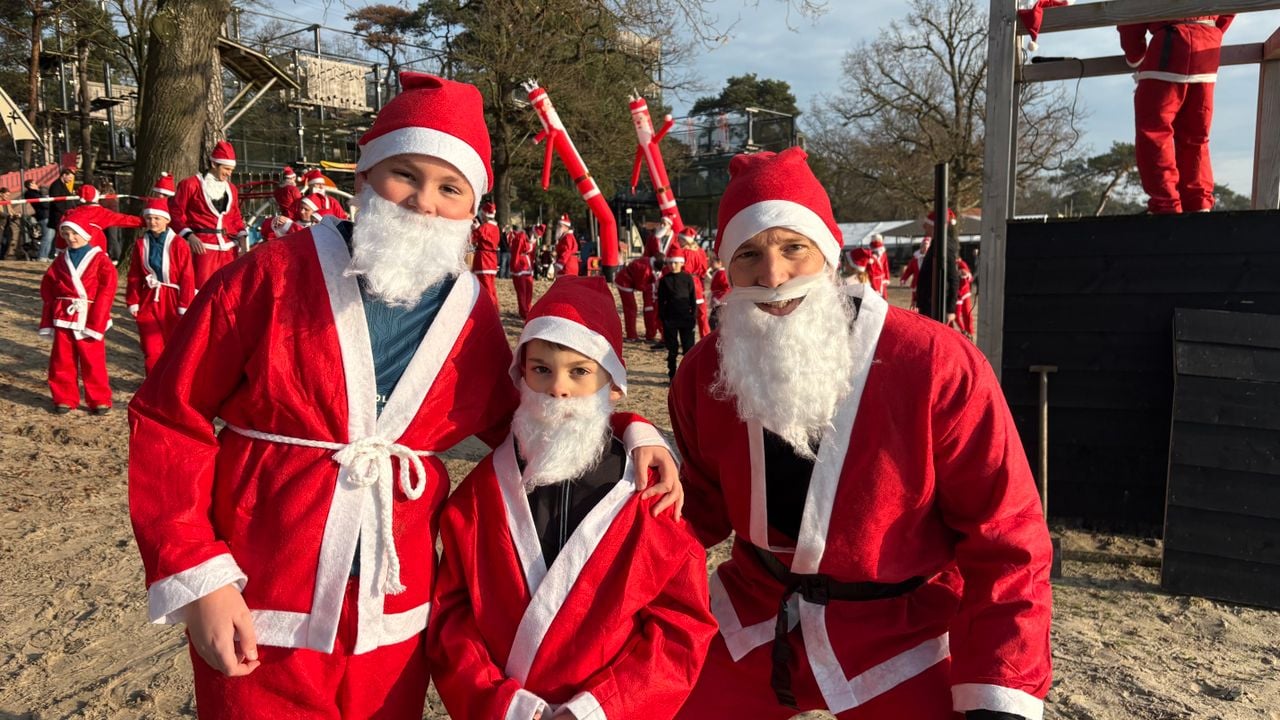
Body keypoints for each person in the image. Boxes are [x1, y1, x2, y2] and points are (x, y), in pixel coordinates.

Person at [127, 71, 679, 720]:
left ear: (472, 208)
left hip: (393, 617)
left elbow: (530, 419)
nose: (424, 201)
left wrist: (633, 427)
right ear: (363, 178)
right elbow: (171, 416)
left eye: (451, 188)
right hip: (259, 594)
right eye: (404, 175)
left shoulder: (469, 313)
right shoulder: (272, 274)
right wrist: (201, 576)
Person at [669, 147, 1052, 720]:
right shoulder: (705, 371)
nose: (772, 276)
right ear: (726, 267)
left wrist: (1000, 686)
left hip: (903, 630)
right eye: (748, 254)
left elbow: (1006, 533)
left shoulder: (934, 362)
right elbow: (695, 507)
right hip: (756, 608)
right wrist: (631, 443)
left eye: (792, 248)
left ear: (827, 251)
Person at [429, 276, 716, 720]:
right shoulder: (481, 494)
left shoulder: (648, 494)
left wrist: (599, 709)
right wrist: (502, 703)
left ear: (612, 384)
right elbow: (451, 613)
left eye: (580, 371)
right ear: (520, 375)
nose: (557, 388)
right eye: (541, 369)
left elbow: (682, 625)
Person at [1119, 15, 1234, 214]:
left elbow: (1131, 13)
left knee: (1155, 133)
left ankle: (1166, 205)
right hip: (1206, 53)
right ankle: (1199, 203)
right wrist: (1211, 32)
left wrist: (1135, 55)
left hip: (1167, 49)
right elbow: (1230, 9)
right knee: (1196, 136)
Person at [39, 220, 117, 414]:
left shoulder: (100, 259)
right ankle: (63, 397)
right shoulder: (60, 259)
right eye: (65, 234)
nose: (70, 238)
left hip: (90, 315)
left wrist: (98, 318)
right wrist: (53, 306)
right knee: (61, 358)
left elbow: (107, 290)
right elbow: (48, 285)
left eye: (74, 233)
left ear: (86, 233)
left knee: (93, 360)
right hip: (64, 315)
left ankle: (99, 399)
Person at [126, 198, 196, 373]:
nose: (152, 222)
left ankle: (171, 379)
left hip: (172, 298)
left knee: (174, 343)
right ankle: (152, 380)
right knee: (151, 345)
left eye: (157, 218)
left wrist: (184, 305)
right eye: (149, 218)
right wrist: (133, 300)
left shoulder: (179, 244)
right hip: (150, 296)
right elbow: (135, 274)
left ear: (167, 219)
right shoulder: (141, 244)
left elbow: (187, 275)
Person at [171, 141, 248, 288]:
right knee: (202, 290)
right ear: (214, 164)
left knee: (228, 290)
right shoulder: (190, 185)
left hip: (229, 249)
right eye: (226, 169)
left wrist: (243, 239)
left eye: (231, 169)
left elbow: (235, 217)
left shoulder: (231, 189)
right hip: (204, 248)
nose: (229, 173)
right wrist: (189, 236)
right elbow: (175, 214)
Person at [58, 184, 144, 254]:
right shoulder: (102, 213)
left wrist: (60, 247)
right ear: (96, 197)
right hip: (96, 245)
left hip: (73, 246)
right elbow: (124, 219)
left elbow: (61, 230)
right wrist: (143, 221)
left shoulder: (71, 213)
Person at [657, 248, 696, 381]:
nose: (672, 266)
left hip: (686, 318)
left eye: (675, 263)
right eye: (670, 263)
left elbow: (692, 298)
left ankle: (687, 377)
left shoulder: (687, 278)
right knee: (672, 349)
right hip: (670, 319)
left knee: (688, 349)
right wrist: (663, 318)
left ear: (681, 263)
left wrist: (693, 316)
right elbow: (661, 301)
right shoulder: (664, 280)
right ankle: (672, 375)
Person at [678, 228, 711, 338]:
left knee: (687, 312)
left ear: (684, 240)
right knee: (702, 313)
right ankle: (705, 336)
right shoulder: (700, 251)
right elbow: (704, 269)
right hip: (698, 282)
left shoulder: (683, 252)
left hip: (685, 283)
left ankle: (688, 337)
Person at [471, 200, 500, 308]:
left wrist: (475, 229)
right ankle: (495, 308)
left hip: (484, 260)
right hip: (492, 259)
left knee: (486, 288)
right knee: (492, 288)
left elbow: (472, 239)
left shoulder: (484, 227)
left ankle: (490, 309)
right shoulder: (496, 228)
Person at [43, 167, 76, 261]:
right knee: (54, 237)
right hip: (58, 216)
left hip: (63, 215)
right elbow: (57, 202)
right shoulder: (56, 186)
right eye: (69, 177)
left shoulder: (63, 185)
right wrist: (66, 212)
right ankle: (47, 255)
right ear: (64, 175)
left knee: (55, 236)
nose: (70, 180)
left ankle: (51, 254)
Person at [509, 225, 534, 320]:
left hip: (527, 265)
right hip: (520, 265)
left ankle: (528, 308)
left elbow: (532, 253)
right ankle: (523, 311)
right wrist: (515, 267)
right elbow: (516, 252)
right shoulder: (521, 237)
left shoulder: (530, 238)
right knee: (522, 290)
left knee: (529, 288)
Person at [898, 239, 929, 310]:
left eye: (927, 248)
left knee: (925, 304)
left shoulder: (931, 259)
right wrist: (903, 279)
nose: (925, 249)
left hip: (927, 285)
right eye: (924, 247)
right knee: (914, 303)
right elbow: (909, 270)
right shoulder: (915, 259)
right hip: (916, 284)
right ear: (921, 247)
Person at [707, 254, 730, 331]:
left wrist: (721, 296)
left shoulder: (722, 273)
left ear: (720, 262)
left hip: (721, 301)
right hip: (718, 299)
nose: (710, 264)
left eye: (712, 262)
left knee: (715, 320)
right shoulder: (718, 272)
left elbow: (727, 286)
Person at [0, 187, 16, 260]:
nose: (7, 197)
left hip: (7, 224)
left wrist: (16, 215)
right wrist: (7, 215)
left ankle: (3, 256)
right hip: (1, 223)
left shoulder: (7, 202)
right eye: (6, 195)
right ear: (1, 194)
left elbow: (12, 211)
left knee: (8, 240)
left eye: (8, 195)